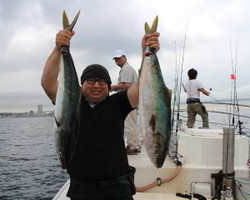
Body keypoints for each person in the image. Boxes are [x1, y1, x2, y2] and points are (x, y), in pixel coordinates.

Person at [41, 28, 160, 200]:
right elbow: (48, 82)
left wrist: (146, 54)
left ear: (109, 85)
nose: (97, 85)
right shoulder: (70, 101)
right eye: (91, 80)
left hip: (118, 189)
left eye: (102, 81)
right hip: (81, 190)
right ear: (81, 84)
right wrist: (58, 48)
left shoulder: (117, 103)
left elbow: (144, 86)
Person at [111, 50, 141, 155]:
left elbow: (126, 85)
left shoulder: (126, 69)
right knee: (132, 124)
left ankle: (133, 146)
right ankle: (135, 145)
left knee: (130, 124)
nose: (117, 61)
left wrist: (113, 87)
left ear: (125, 57)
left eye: (119, 58)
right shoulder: (127, 68)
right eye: (116, 59)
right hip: (132, 101)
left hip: (128, 101)